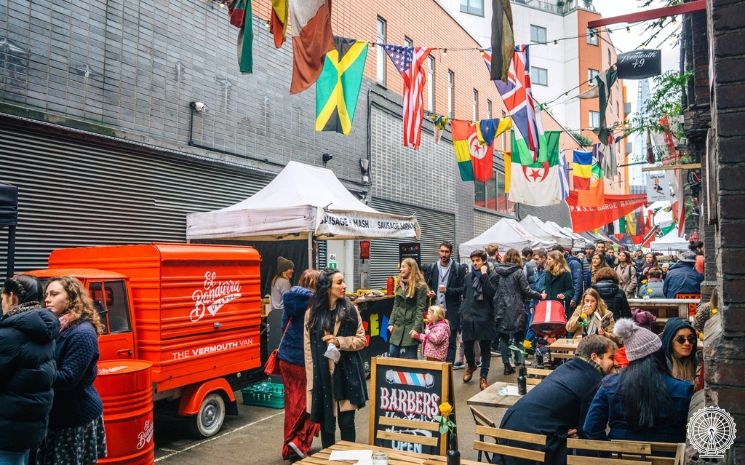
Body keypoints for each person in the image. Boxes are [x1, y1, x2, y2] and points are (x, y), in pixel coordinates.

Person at [499, 335, 618, 465]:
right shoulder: (594, 382)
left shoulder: (566, 367)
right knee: (583, 451)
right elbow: (591, 433)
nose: (616, 363)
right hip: (532, 444)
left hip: (507, 431)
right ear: (595, 357)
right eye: (611, 358)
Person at [583, 319, 693, 443]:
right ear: (660, 355)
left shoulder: (609, 385)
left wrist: (609, 453)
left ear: (631, 357)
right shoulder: (684, 389)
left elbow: (591, 429)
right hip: (670, 458)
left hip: (620, 458)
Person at [38, 276, 107, 465]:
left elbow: (68, 378)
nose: (47, 299)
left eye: (54, 294)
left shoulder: (82, 333)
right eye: (46, 295)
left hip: (74, 417)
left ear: (70, 298)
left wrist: (33, 370)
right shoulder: (57, 326)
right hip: (57, 415)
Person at [304, 268, 367, 448]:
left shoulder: (351, 310)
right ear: (327, 287)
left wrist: (339, 341)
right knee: (327, 427)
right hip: (323, 378)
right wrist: (311, 383)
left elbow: (361, 340)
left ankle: (348, 458)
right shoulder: (312, 313)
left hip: (347, 374)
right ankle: (328, 459)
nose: (344, 286)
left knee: (347, 423)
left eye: (343, 282)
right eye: (339, 283)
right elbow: (307, 350)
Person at [0, 275, 59, 465]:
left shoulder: (11, 334)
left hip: (7, 428)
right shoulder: (43, 330)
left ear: (12, 297)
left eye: (2, 298)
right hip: (27, 425)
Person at [278, 269, 321, 460]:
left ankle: (288, 446)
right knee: (316, 402)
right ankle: (300, 441)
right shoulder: (318, 302)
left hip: (287, 358)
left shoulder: (290, 299)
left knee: (292, 404)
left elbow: (282, 326)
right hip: (306, 360)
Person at [494, 248, 541, 375]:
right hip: (516, 308)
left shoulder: (496, 271)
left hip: (500, 308)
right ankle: (520, 362)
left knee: (503, 337)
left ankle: (506, 365)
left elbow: (492, 288)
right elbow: (527, 290)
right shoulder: (519, 272)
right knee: (519, 336)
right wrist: (540, 296)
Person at [460, 250, 498, 391]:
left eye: (477, 260)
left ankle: (483, 377)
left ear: (484, 261)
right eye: (473, 261)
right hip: (469, 316)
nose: (475, 263)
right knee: (467, 346)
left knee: (485, 349)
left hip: (485, 316)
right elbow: (465, 295)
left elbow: (491, 293)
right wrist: (462, 313)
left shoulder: (493, 276)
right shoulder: (468, 277)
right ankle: (471, 365)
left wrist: (483, 275)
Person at [424, 241, 465, 363]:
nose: (444, 254)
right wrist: (429, 293)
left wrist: (449, 290)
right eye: (442, 251)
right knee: (434, 339)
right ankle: (437, 369)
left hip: (452, 310)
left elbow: (463, 289)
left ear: (451, 253)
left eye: (447, 252)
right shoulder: (432, 268)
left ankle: (448, 370)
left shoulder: (458, 268)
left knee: (451, 341)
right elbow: (426, 285)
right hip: (436, 312)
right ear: (438, 251)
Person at [387, 258, 428, 359]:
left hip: (411, 326)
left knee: (411, 358)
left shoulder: (420, 286)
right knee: (393, 353)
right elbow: (395, 306)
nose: (400, 269)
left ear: (411, 269)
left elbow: (420, 309)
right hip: (398, 326)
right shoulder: (400, 284)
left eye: (403, 267)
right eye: (400, 267)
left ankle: (413, 374)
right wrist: (391, 323)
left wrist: (416, 328)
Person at [660, 318, 698, 385]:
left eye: (691, 338)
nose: (687, 343)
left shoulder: (696, 361)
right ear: (670, 342)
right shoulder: (661, 365)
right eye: (680, 339)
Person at [540, 250, 574, 319]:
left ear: (556, 260)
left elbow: (571, 291)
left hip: (560, 307)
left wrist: (564, 295)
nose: (547, 261)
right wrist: (543, 290)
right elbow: (543, 285)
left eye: (549, 259)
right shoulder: (547, 272)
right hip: (548, 305)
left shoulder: (566, 274)